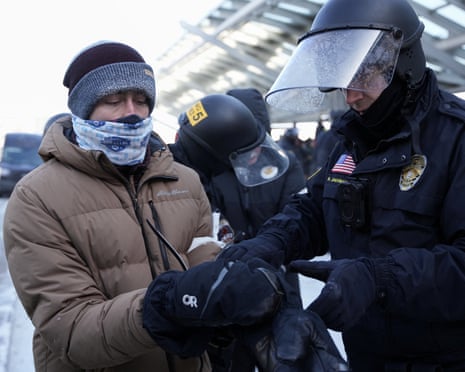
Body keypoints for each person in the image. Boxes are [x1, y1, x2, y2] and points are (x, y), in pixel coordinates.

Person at [220, 0, 465, 370]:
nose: (350, 96)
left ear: (403, 66)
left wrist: (378, 278)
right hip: (366, 354)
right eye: (342, 77)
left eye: (364, 76)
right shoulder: (350, 138)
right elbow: (316, 208)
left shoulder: (456, 138)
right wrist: (272, 242)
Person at [3, 40, 228, 371]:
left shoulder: (184, 181)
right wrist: (166, 306)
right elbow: (70, 329)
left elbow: (202, 260)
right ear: (82, 109)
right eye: (113, 100)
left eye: (141, 100)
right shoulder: (36, 198)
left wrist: (231, 296)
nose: (131, 113)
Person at [168, 92, 307, 371]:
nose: (254, 156)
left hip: (274, 278)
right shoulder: (198, 178)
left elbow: (298, 217)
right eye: (246, 150)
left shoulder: (283, 166)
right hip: (219, 298)